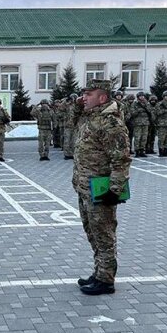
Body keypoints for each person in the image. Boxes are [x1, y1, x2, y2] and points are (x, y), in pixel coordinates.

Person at [74, 80, 131, 296]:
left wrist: (114, 191)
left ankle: (106, 280)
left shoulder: (111, 123)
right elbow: (71, 121)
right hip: (85, 186)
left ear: (102, 98)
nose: (84, 97)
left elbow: (121, 160)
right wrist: (78, 105)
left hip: (101, 188)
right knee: (92, 232)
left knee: (104, 234)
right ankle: (99, 272)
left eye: (89, 94)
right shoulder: (90, 117)